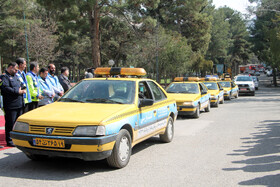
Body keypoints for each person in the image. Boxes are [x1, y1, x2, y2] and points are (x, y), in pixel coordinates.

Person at [1, 62, 26, 146]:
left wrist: (22, 89)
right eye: (15, 69)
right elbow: (6, 89)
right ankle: (10, 140)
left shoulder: (16, 76)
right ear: (10, 67)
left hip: (19, 103)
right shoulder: (4, 77)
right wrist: (17, 91)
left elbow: (21, 85)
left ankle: (17, 139)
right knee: (10, 123)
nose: (16, 71)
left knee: (16, 123)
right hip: (10, 105)